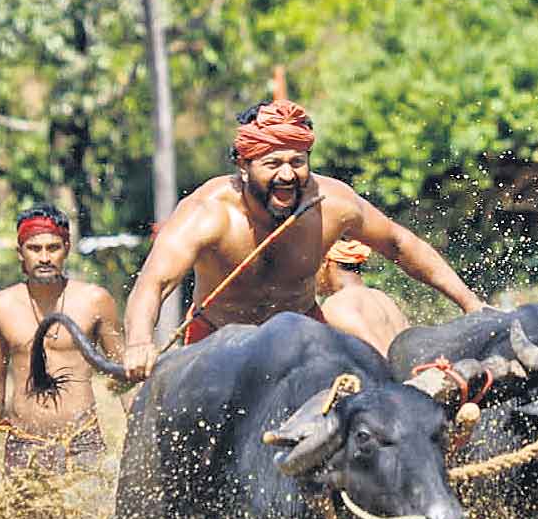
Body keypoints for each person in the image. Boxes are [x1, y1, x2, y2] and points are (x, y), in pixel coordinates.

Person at [122, 98, 484, 380]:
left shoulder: (332, 203)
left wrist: (471, 305)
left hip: (304, 338)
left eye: (297, 162)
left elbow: (401, 245)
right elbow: (152, 284)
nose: (287, 175)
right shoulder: (207, 213)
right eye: (272, 163)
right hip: (218, 339)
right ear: (243, 166)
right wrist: (139, 343)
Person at [0, 204, 126, 491]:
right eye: (35, 248)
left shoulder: (95, 301)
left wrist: (146, 436)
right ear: (20, 254)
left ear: (67, 249)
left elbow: (124, 377)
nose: (45, 257)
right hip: (25, 446)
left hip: (82, 442)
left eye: (53, 247)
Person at [317, 239, 409, 357]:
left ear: (326, 263)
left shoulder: (336, 304)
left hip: (386, 374)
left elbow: (379, 355)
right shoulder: (382, 297)